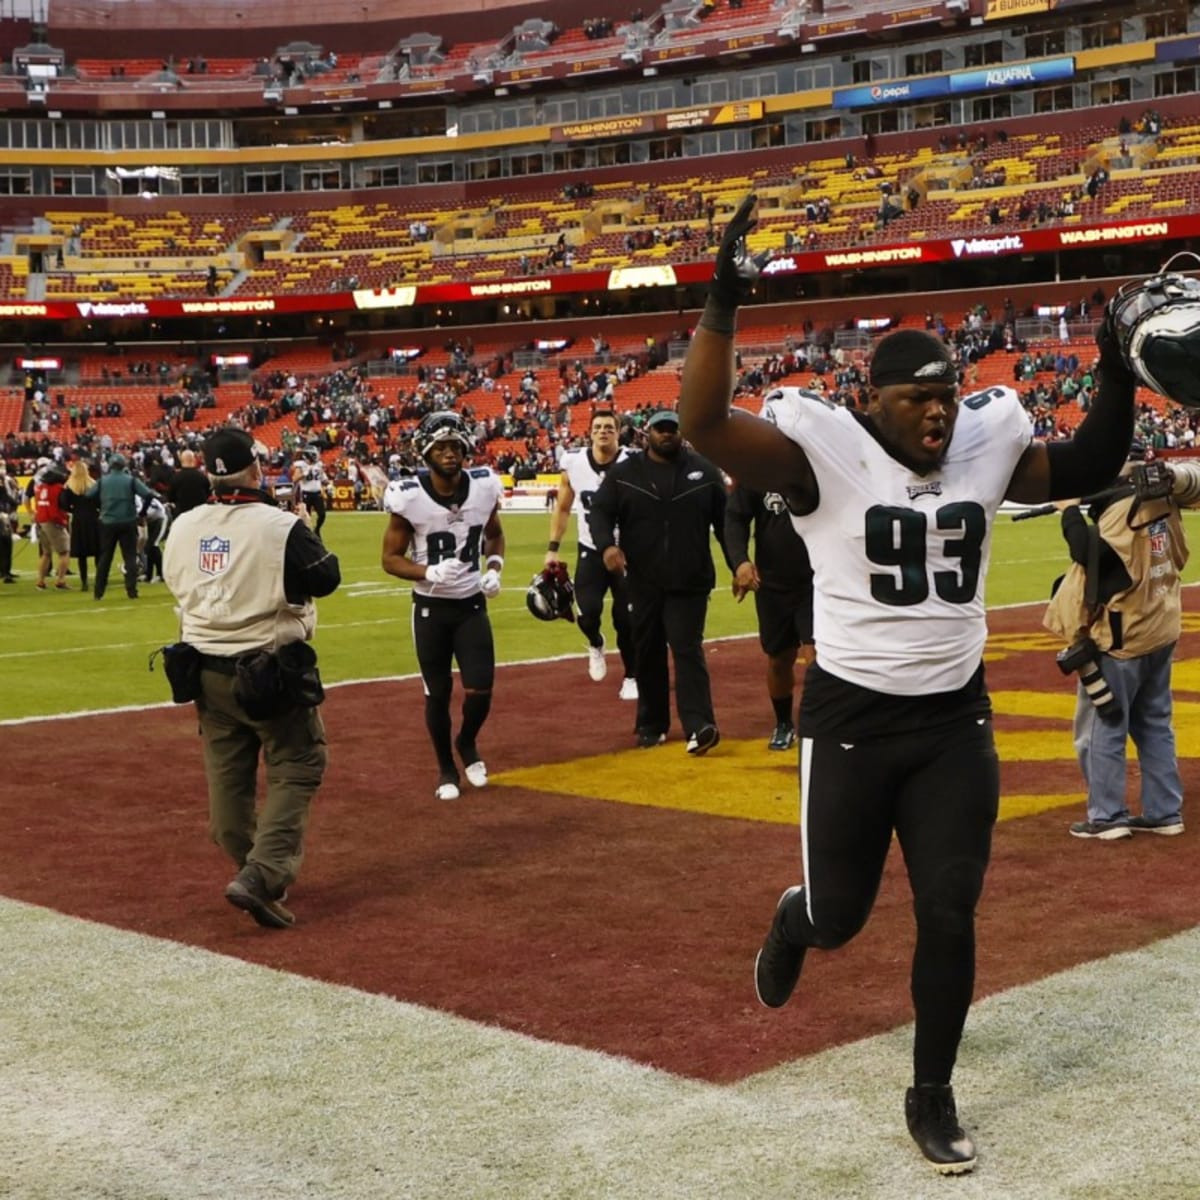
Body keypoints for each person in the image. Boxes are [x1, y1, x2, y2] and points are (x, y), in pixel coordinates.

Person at [677, 194, 1139, 1174]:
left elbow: (1091, 460)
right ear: (871, 403)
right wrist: (721, 298)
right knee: (841, 917)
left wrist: (1111, 363)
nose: (938, 411)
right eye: (916, 398)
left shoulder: (984, 442)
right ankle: (792, 921)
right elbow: (704, 423)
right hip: (850, 721)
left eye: (946, 394)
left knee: (950, 910)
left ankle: (931, 1092)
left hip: (952, 723)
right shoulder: (821, 457)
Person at [162, 428, 340, 929]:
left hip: (205, 671)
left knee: (227, 782)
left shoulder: (183, 524)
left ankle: (251, 868)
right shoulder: (278, 525)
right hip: (267, 668)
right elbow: (325, 577)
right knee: (299, 763)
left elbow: (176, 582)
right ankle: (261, 876)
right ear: (257, 470)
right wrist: (305, 528)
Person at [1044, 452, 1200, 839]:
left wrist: (1068, 512)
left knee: (1104, 727)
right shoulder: (1162, 498)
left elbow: (1092, 555)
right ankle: (1165, 811)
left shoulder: (1119, 512)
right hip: (1161, 625)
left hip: (1123, 634)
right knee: (1154, 724)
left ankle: (1107, 815)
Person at [588, 407, 729, 754]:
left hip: (690, 579)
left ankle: (700, 725)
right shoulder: (625, 473)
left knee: (687, 649)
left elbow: (727, 524)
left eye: (672, 429)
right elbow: (600, 512)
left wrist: (737, 563)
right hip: (643, 580)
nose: (667, 434)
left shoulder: (704, 471)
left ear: (681, 433)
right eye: (660, 429)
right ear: (646, 432)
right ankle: (652, 724)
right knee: (647, 650)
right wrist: (607, 546)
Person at [381, 411, 506, 801]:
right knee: (437, 693)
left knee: (480, 690)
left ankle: (466, 742)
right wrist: (427, 571)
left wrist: (496, 567)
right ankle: (446, 768)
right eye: (441, 447)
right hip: (431, 610)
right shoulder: (409, 496)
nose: (449, 453)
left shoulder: (484, 487)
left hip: (471, 605)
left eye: (455, 446)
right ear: (426, 451)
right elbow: (389, 558)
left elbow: (495, 534)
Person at [545, 408, 637, 699]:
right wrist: (552, 549)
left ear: (618, 430)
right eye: (597, 427)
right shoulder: (573, 463)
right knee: (586, 613)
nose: (603, 431)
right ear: (590, 431)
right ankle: (596, 643)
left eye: (609, 427)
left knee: (626, 619)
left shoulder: (634, 461)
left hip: (626, 553)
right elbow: (562, 507)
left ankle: (632, 675)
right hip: (590, 549)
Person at [724, 474, 814, 751]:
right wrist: (740, 562)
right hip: (772, 583)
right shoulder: (759, 469)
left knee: (817, 655)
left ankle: (816, 722)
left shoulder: (815, 463)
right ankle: (784, 723)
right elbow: (735, 518)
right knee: (779, 658)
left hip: (818, 579)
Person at [88, 453, 154, 600]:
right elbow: (148, 494)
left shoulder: (103, 481)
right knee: (130, 556)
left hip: (107, 522)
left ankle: (98, 592)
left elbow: (89, 495)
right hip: (128, 521)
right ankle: (131, 590)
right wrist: (142, 513)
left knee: (105, 557)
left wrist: (100, 508)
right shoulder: (130, 480)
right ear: (124, 465)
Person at [58, 458, 101, 592]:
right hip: (93, 519)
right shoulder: (93, 484)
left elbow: (63, 504)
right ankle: (100, 580)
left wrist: (74, 510)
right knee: (98, 552)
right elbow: (101, 502)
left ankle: (84, 582)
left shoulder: (69, 486)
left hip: (78, 520)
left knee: (82, 554)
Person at [294, 448, 329, 538]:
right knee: (306, 516)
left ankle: (317, 529)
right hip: (306, 494)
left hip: (317, 493)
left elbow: (323, 479)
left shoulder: (318, 465)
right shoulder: (301, 465)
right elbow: (294, 479)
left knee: (322, 514)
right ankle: (307, 535)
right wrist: (303, 474)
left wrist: (326, 481)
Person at [166, 448, 211, 515]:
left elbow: (171, 498)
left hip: (182, 515)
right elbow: (208, 493)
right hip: (201, 513)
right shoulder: (202, 476)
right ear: (193, 460)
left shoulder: (175, 478)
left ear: (181, 461)